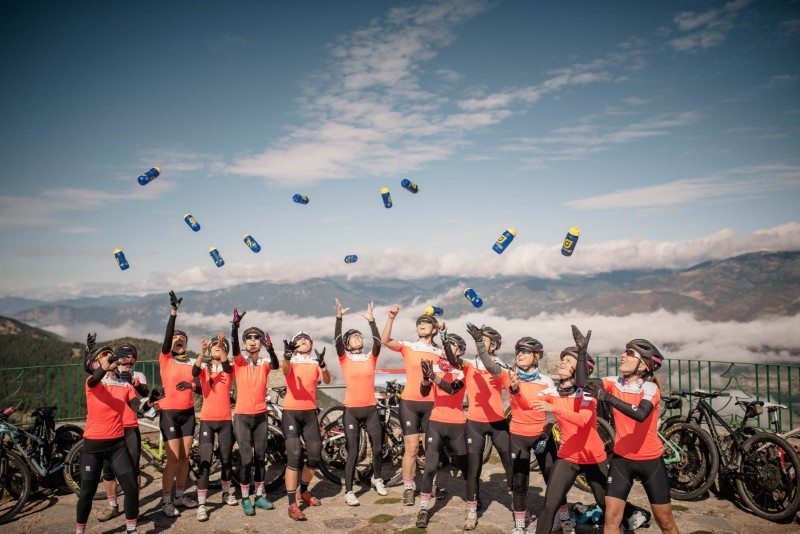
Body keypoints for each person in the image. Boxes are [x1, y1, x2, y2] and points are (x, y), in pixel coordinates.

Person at [512, 327, 607, 534]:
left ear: (581, 369)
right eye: (562, 359)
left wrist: (554, 408)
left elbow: (583, 420)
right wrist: (515, 390)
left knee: (608, 506)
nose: (562, 362)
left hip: (593, 456)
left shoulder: (587, 393)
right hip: (568, 456)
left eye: (568, 360)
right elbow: (530, 404)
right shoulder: (554, 391)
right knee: (549, 506)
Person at [584, 339, 679, 534]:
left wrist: (607, 397)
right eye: (625, 351)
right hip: (621, 459)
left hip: (650, 460)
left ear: (644, 365)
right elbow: (582, 383)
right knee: (611, 519)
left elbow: (640, 414)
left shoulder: (650, 388)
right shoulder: (614, 383)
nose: (623, 355)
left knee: (665, 521)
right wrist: (580, 354)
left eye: (629, 353)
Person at [469, 327, 557, 534]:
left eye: (525, 351)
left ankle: (563, 519)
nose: (520, 354)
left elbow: (552, 414)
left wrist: (546, 432)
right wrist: (479, 343)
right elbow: (489, 364)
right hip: (518, 436)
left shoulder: (547, 381)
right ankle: (519, 525)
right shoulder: (509, 375)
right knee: (518, 483)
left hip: (541, 436)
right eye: (518, 351)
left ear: (536, 357)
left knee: (552, 480)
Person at [76, 343, 161, 534]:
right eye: (104, 356)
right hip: (93, 447)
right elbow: (94, 378)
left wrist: (152, 401)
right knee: (86, 494)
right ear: (97, 364)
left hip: (117, 445)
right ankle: (79, 530)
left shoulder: (125, 385)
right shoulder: (93, 382)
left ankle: (131, 528)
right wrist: (107, 361)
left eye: (110, 355)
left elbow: (139, 409)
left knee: (131, 487)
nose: (109, 357)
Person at [381, 304, 442, 506]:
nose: (422, 325)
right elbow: (385, 340)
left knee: (431, 448)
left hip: (432, 403)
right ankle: (408, 487)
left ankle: (430, 485)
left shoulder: (439, 352)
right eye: (419, 324)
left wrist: (446, 333)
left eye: (426, 323)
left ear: (434, 329)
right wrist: (391, 318)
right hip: (410, 403)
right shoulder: (409, 346)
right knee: (412, 449)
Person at [414, 326, 470, 529]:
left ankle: (474, 499)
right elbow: (423, 391)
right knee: (429, 467)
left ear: (460, 352)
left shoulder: (464, 370)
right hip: (436, 422)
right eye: (448, 346)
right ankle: (423, 509)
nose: (448, 350)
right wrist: (425, 378)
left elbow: (452, 390)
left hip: (457, 425)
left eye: (453, 347)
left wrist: (434, 377)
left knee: (465, 468)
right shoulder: (436, 366)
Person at [334, 299, 387, 506]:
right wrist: (339, 318)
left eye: (359, 335)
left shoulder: (370, 358)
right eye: (352, 337)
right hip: (352, 411)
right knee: (353, 451)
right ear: (347, 345)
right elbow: (336, 340)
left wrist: (372, 322)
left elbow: (378, 342)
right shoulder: (344, 358)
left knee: (378, 448)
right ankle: (348, 490)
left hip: (371, 409)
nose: (357, 338)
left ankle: (377, 478)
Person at [461, 323, 514, 529]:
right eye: (478, 339)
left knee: (510, 467)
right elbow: (451, 359)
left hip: (498, 423)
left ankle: (517, 506)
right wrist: (443, 334)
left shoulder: (500, 366)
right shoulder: (469, 364)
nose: (479, 343)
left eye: (483, 340)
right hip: (474, 422)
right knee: (474, 470)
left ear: (493, 346)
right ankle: (472, 511)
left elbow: (490, 367)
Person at [230, 308, 279, 516]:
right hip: (242, 416)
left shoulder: (264, 364)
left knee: (260, 458)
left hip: (261, 415)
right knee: (247, 460)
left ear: (261, 343)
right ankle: (244, 498)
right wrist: (235, 327)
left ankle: (259, 496)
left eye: (256, 338)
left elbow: (276, 364)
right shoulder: (240, 363)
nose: (252, 341)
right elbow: (233, 347)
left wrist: (272, 348)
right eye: (248, 338)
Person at [95, 342, 151, 523]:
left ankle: (132, 505)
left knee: (133, 470)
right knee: (108, 471)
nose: (127, 359)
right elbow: (93, 377)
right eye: (124, 355)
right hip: (110, 429)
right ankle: (112, 505)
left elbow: (144, 393)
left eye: (130, 355)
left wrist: (133, 384)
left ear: (134, 358)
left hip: (130, 427)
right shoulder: (108, 373)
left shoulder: (138, 374)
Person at [281, 331, 331, 520]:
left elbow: (326, 380)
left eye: (306, 339)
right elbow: (285, 371)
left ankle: (304, 491)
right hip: (291, 412)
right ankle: (292, 504)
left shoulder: (315, 361)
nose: (303, 340)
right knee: (294, 456)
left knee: (314, 456)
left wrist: (323, 365)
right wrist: (287, 355)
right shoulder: (291, 360)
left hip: (310, 413)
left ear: (311, 344)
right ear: (293, 345)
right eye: (299, 339)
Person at [158, 290, 199, 516]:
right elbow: (167, 339)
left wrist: (194, 386)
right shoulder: (165, 359)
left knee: (184, 458)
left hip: (188, 413)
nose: (177, 340)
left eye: (181, 338)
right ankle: (166, 501)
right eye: (174, 338)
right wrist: (174, 313)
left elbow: (201, 387)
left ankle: (179, 496)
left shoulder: (192, 363)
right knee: (173, 459)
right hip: (169, 413)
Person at [191, 331, 234, 521]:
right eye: (214, 345)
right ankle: (202, 504)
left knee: (226, 460)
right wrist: (201, 353)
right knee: (205, 462)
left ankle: (226, 493)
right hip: (207, 420)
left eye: (221, 346)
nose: (217, 347)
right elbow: (193, 373)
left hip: (225, 421)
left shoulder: (228, 367)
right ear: (209, 349)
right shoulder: (204, 369)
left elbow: (226, 365)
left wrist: (223, 345)